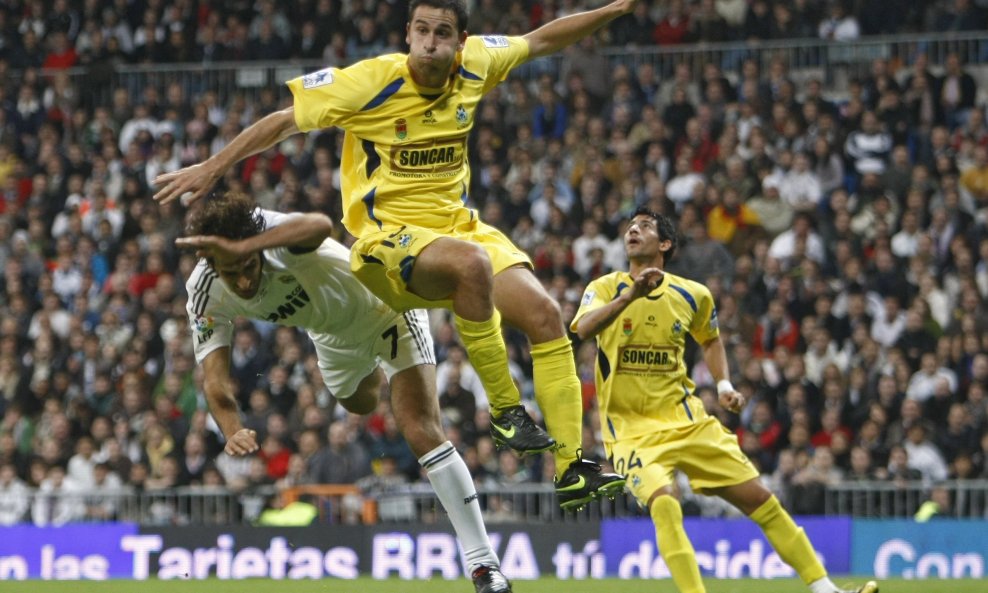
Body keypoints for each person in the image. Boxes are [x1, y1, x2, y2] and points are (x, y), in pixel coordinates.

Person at [153, 0, 629, 509]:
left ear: (460, 41)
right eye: (421, 30)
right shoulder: (371, 81)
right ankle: (507, 412)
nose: (429, 42)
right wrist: (214, 165)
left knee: (546, 315)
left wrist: (619, 8)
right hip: (383, 240)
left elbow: (542, 39)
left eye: (441, 32)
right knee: (472, 267)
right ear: (407, 34)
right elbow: (283, 123)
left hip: (457, 226)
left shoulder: (477, 65)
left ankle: (571, 468)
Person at [180, 192, 511, 593]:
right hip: (333, 338)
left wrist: (243, 248)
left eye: (249, 266)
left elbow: (320, 224)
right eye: (233, 272)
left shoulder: (267, 232)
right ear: (211, 263)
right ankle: (380, 370)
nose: (245, 280)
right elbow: (214, 380)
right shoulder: (204, 290)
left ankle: (483, 567)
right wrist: (232, 427)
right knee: (361, 403)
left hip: (386, 305)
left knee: (420, 429)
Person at [570, 207, 879, 593]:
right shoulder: (604, 287)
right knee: (665, 504)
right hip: (631, 432)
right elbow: (583, 328)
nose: (633, 230)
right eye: (630, 226)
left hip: (688, 421)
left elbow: (711, 339)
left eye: (645, 226)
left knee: (762, 500)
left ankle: (825, 589)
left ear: (665, 244)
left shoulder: (693, 294)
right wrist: (631, 296)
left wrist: (723, 385)